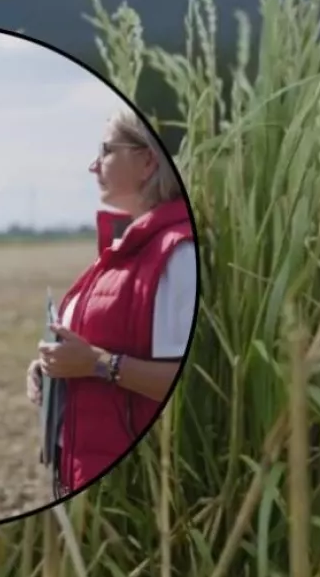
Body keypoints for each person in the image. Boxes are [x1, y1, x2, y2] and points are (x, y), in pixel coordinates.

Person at [25, 108, 196, 499]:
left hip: (132, 486)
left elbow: (185, 382)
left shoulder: (178, 254)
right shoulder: (125, 249)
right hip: (80, 468)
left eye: (105, 151)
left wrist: (97, 364)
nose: (93, 165)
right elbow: (90, 352)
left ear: (147, 160)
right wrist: (50, 369)